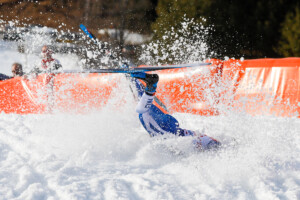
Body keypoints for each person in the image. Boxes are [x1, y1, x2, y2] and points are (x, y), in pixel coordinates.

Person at [130, 72, 221, 151]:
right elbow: (212, 145)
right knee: (143, 112)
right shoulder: (206, 144)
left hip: (171, 125)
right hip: (169, 130)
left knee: (142, 105)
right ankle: (150, 84)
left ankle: (133, 79)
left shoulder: (201, 140)